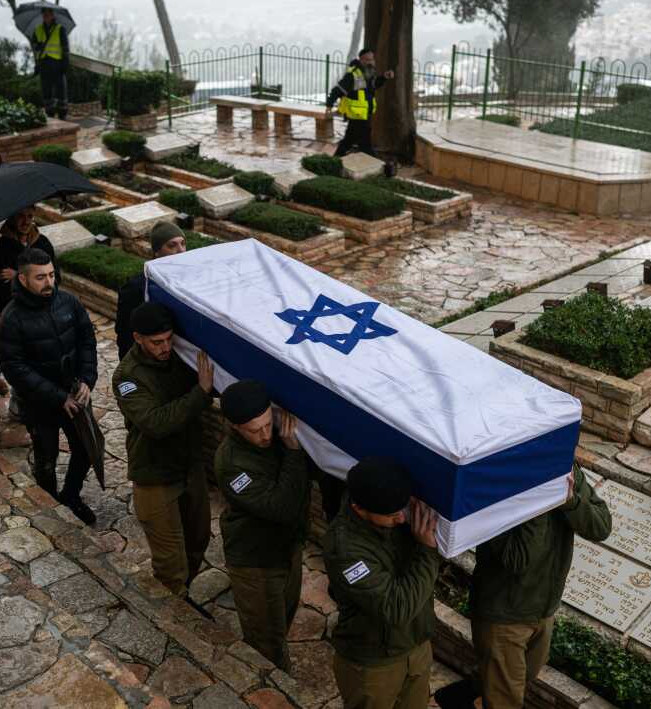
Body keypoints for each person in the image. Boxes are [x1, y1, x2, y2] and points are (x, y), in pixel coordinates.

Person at [470, 466, 611, 709]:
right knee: (505, 698)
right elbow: (520, 559)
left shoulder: (566, 469)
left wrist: (570, 502)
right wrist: (541, 498)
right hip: (504, 615)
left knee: (523, 675)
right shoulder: (500, 480)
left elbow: (601, 526)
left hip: (543, 610)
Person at [112, 302, 214, 597]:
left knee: (198, 541)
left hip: (189, 467)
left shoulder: (179, 357)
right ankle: (177, 623)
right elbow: (155, 423)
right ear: (138, 338)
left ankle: (183, 597)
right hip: (154, 476)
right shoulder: (127, 377)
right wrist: (201, 393)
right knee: (171, 564)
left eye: (169, 339)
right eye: (157, 342)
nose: (165, 347)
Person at [324, 457, 442, 709]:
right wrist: (426, 551)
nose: (400, 519)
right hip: (374, 664)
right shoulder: (345, 549)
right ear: (359, 509)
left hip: (416, 647)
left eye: (402, 509)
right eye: (391, 515)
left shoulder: (392, 513)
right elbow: (395, 608)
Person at [0, 247, 99, 524]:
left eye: (52, 275)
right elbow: (15, 369)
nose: (49, 282)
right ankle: (49, 504)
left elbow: (87, 340)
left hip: (75, 394)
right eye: (40, 277)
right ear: (23, 279)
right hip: (40, 404)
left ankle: (71, 495)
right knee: (46, 459)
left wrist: (87, 379)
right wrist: (56, 397)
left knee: (87, 448)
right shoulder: (10, 319)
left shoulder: (69, 302)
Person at [214, 380, 310, 671]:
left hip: (286, 549)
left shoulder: (274, 434)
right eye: (255, 430)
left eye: (268, 424)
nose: (266, 435)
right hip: (256, 560)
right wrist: (293, 452)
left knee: (284, 618)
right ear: (234, 426)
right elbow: (280, 507)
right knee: (265, 644)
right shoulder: (230, 464)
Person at [115, 221, 187, 360]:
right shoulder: (137, 287)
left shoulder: (189, 279)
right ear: (157, 251)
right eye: (172, 245)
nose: (181, 250)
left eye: (183, 243)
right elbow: (125, 333)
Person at [0, 206, 56, 320]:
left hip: (41, 312)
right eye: (21, 216)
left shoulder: (43, 243)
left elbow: (56, 278)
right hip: (11, 317)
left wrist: (18, 276)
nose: (26, 221)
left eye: (30, 216)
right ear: (12, 217)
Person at [325, 47, 394, 158]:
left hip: (364, 113)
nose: (370, 62)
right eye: (367, 60)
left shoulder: (369, 73)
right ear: (361, 60)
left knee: (352, 138)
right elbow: (338, 90)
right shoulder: (353, 75)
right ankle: (370, 159)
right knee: (361, 140)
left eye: (372, 59)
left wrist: (384, 77)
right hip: (356, 114)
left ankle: (337, 158)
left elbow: (373, 85)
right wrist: (329, 104)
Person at [31, 7, 70, 119]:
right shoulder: (38, 29)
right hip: (44, 63)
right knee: (46, 90)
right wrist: (38, 45)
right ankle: (49, 113)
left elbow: (65, 48)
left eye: (48, 14)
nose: (46, 16)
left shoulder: (60, 29)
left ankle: (63, 114)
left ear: (53, 15)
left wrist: (65, 64)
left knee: (61, 89)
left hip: (57, 63)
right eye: (44, 15)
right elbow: (34, 45)